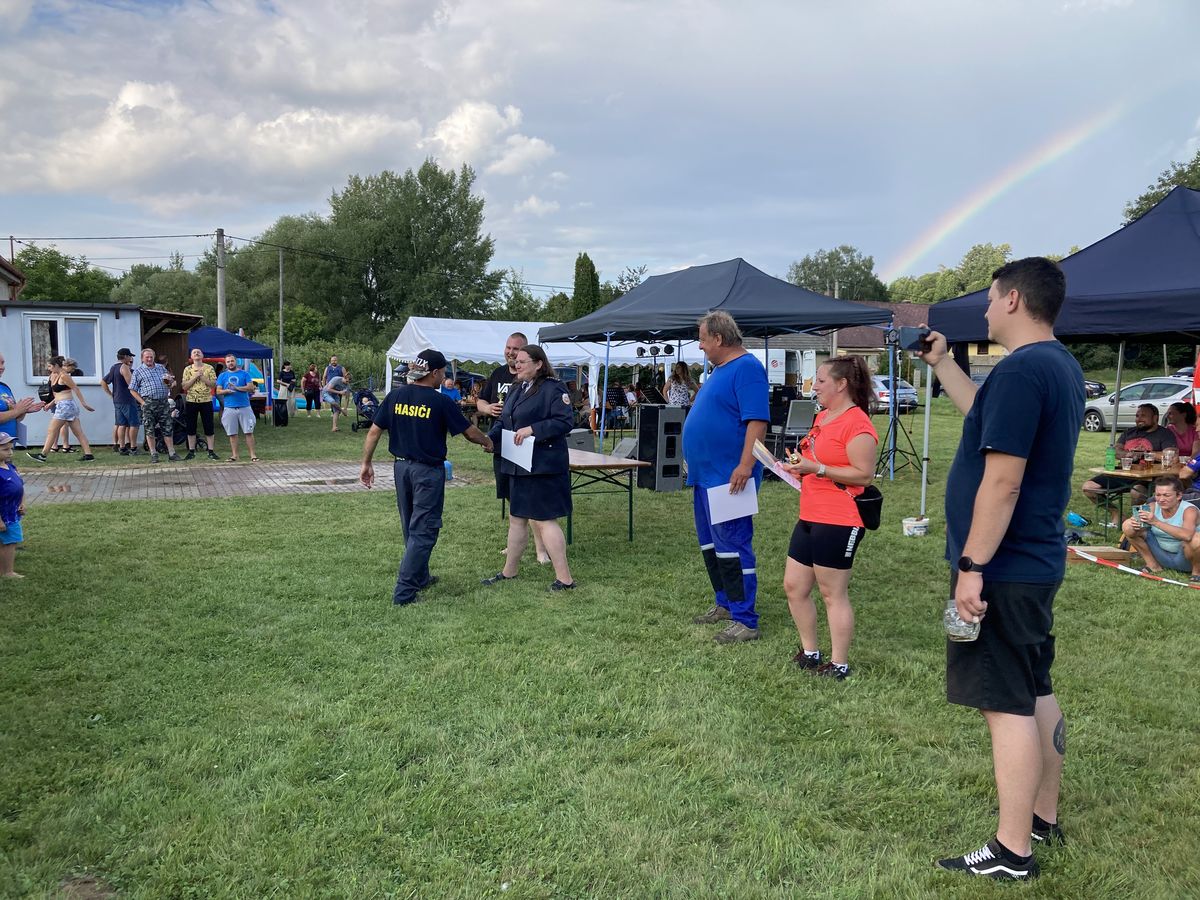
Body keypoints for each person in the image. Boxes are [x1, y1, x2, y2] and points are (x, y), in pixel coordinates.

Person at [918, 257, 1082, 880]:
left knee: (1004, 701)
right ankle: (1043, 817)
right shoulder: (1055, 365)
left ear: (1013, 299)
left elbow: (1003, 481)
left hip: (1003, 566)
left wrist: (971, 565)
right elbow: (983, 415)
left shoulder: (1020, 370)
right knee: (1034, 685)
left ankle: (1013, 852)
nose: (985, 310)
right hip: (1034, 560)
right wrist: (943, 364)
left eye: (989, 298)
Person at [360, 349, 493, 605]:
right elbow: (469, 432)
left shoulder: (395, 396)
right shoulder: (440, 401)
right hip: (427, 472)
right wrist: (488, 442)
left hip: (401, 469)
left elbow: (374, 431)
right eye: (443, 372)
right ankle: (404, 592)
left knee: (410, 524)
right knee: (424, 529)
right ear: (434, 373)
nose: (444, 377)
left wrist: (366, 463)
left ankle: (421, 577)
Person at [779, 356, 878, 680]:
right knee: (794, 586)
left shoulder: (857, 423)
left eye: (821, 381)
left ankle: (839, 663)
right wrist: (798, 466)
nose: (815, 386)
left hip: (840, 517)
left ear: (841, 384)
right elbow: (813, 458)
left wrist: (817, 468)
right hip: (810, 512)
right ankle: (810, 652)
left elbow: (864, 475)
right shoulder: (823, 416)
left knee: (831, 593)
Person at [683, 310, 770, 643]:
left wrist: (746, 464)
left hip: (729, 477)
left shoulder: (747, 368)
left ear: (719, 338)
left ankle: (745, 619)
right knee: (712, 545)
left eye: (703, 339)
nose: (700, 346)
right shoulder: (721, 369)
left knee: (733, 545)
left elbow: (757, 421)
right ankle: (725, 603)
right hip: (707, 476)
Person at [480, 344, 577, 591]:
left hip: (543, 465)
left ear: (539, 364)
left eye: (522, 361)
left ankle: (565, 579)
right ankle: (509, 572)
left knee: (545, 521)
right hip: (519, 464)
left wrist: (533, 429)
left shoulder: (554, 388)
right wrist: (489, 439)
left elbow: (565, 421)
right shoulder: (516, 388)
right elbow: (505, 421)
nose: (517, 364)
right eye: (516, 361)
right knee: (517, 519)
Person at [478, 331, 550, 565]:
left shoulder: (541, 385)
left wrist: (532, 429)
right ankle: (516, 542)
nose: (511, 354)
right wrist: (487, 410)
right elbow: (480, 401)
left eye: (517, 351)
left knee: (530, 498)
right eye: (508, 349)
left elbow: (559, 420)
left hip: (527, 447)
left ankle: (541, 549)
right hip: (502, 445)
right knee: (513, 498)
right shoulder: (499, 374)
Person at [1081, 403, 1176, 522]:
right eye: (1137, 416)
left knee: (1137, 492)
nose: (1139, 419)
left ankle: (1137, 521)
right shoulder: (1129, 432)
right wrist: (1128, 454)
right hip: (1124, 473)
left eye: (1143, 416)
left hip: (1148, 476)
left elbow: (1170, 455)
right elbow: (1116, 451)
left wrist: (1146, 453)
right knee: (1088, 487)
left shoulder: (1165, 434)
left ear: (1155, 418)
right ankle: (1116, 513)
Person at [1122, 475, 1200, 579]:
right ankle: (1153, 565)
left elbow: (1187, 535)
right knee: (1128, 526)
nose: (1161, 499)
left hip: (1187, 558)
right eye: (1158, 495)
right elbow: (1131, 525)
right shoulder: (1152, 506)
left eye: (1166, 495)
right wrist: (1135, 523)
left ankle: (1196, 573)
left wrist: (1156, 522)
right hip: (1161, 554)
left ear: (1179, 496)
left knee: (1197, 539)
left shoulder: (1189, 510)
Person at [28, 356, 97, 462]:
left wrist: (84, 404)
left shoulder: (64, 376)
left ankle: (43, 455)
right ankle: (89, 455)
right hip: (64, 405)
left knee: (52, 430)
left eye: (50, 366)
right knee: (78, 432)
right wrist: (50, 404)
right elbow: (58, 395)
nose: (48, 368)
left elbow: (75, 388)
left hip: (65, 406)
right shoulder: (56, 375)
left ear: (56, 365)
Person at [128, 348, 179, 463]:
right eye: (147, 357)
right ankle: (153, 454)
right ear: (142, 358)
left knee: (167, 427)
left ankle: (172, 453)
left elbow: (169, 384)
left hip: (163, 402)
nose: (149, 359)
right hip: (149, 403)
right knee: (150, 429)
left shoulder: (161, 368)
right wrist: (142, 402)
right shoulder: (138, 371)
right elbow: (132, 389)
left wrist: (170, 382)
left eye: (151, 357)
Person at [216, 354, 258, 462]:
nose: (230, 363)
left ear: (236, 361)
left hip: (244, 407)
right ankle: (235, 455)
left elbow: (251, 388)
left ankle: (253, 455)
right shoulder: (222, 376)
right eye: (228, 362)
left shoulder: (244, 374)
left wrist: (237, 388)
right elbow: (218, 391)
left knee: (248, 432)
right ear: (226, 363)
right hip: (229, 408)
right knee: (232, 433)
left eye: (232, 361)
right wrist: (226, 391)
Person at [181, 349, 220, 461]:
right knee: (191, 427)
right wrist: (195, 376)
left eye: (198, 352)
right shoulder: (187, 369)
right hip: (191, 401)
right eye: (194, 352)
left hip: (206, 401)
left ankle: (211, 451)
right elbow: (184, 386)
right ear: (191, 357)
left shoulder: (209, 368)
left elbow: (213, 385)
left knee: (209, 426)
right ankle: (191, 451)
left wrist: (202, 377)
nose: (197, 353)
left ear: (202, 355)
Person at [101, 348, 139, 455]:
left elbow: (103, 381)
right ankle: (133, 447)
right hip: (127, 399)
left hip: (117, 400)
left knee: (121, 424)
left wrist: (111, 394)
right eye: (130, 356)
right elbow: (131, 384)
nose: (130, 359)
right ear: (125, 356)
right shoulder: (124, 367)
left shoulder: (113, 367)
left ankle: (122, 447)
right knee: (134, 424)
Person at [1, 352, 42, 447]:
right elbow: (14, 412)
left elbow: (16, 418)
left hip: (8, 445)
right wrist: (17, 411)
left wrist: (23, 410)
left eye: (3, 363)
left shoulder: (4, 387)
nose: (1, 367)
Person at [0, 432, 25, 579]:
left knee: (8, 541)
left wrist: (22, 503)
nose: (10, 452)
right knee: (9, 543)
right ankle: (8, 572)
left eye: (11, 448)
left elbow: (20, 486)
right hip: (4, 516)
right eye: (5, 449)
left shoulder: (11, 466)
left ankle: (4, 570)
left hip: (12, 513)